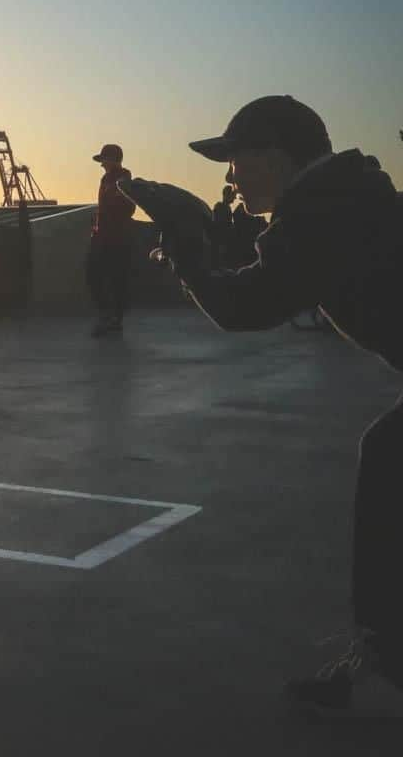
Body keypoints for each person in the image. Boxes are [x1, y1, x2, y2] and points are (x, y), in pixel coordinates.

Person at [134, 95, 403, 713]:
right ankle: (383, 646)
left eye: (237, 159)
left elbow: (243, 308)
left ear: (278, 157)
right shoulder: (341, 200)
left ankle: (386, 649)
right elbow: (262, 282)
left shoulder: (324, 214)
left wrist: (185, 236)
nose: (230, 176)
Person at [86, 143, 135, 336]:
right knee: (93, 273)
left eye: (104, 160)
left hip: (117, 237)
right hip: (102, 235)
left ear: (113, 160)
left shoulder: (124, 178)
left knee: (117, 278)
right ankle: (107, 315)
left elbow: (128, 207)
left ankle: (114, 319)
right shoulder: (105, 179)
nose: (102, 165)